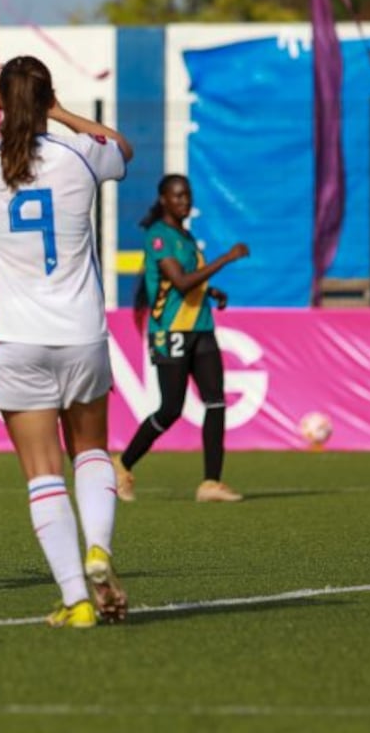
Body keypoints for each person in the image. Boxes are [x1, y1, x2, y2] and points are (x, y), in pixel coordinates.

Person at [0, 55, 134, 629]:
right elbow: (122, 146)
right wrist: (64, 111)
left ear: (1, 105)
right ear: (47, 99)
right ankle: (99, 548)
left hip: (14, 340)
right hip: (80, 334)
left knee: (42, 472)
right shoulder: (82, 157)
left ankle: (76, 602)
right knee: (91, 452)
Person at [111, 175, 249, 503]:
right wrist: (226, 259)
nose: (184, 201)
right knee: (171, 408)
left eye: (187, 195)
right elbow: (181, 282)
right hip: (171, 331)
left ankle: (211, 483)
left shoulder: (185, 236)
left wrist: (211, 292)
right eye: (177, 196)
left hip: (201, 327)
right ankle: (123, 463)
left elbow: (186, 285)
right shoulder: (159, 237)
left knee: (216, 401)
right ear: (163, 200)